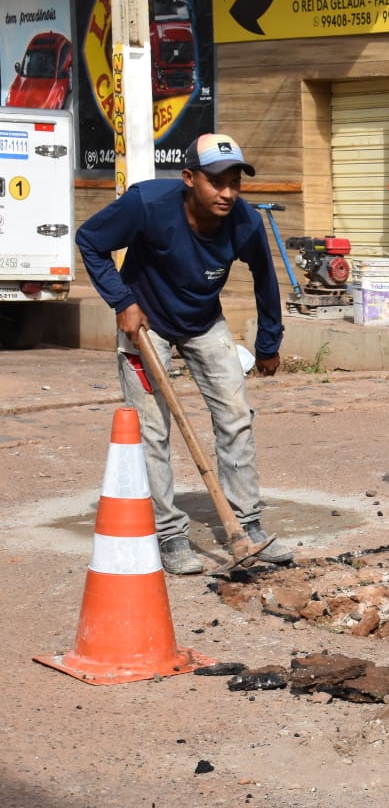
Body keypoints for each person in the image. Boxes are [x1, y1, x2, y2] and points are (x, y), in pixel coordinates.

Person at [75, 132, 293, 576]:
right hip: (146, 322)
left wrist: (268, 344)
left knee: (235, 416)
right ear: (190, 178)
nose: (228, 193)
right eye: (218, 182)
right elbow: (90, 241)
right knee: (152, 429)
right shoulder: (147, 204)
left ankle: (247, 524)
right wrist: (122, 301)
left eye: (235, 182)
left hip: (203, 319)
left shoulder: (245, 222)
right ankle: (170, 534)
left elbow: (266, 281)